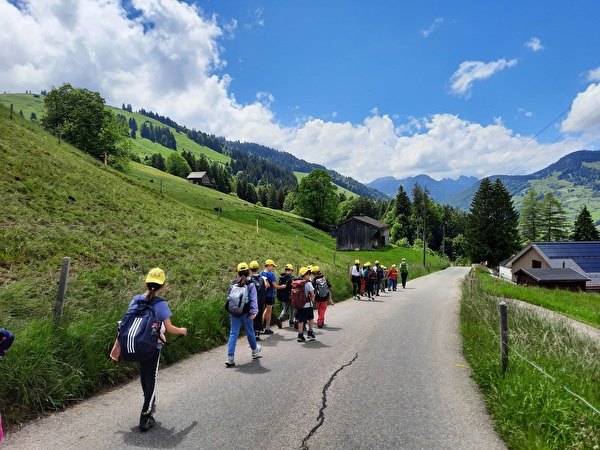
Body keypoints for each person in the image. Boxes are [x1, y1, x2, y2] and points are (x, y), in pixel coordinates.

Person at [110, 268, 187, 431]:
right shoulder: (160, 304)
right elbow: (170, 328)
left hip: (136, 344)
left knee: (144, 375)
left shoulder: (136, 300)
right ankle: (145, 415)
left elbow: (124, 325)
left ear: (146, 282)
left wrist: (117, 346)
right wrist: (182, 330)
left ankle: (149, 401)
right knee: (151, 376)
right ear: (163, 285)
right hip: (152, 346)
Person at [225, 262, 262, 368]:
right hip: (246, 313)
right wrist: (255, 311)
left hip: (234, 312)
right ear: (248, 272)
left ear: (237, 272)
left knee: (233, 333)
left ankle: (230, 357)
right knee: (250, 332)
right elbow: (253, 299)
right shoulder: (250, 284)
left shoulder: (233, 284)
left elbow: (229, 298)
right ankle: (254, 350)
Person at [260, 259, 284, 335]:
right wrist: (282, 287)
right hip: (270, 295)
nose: (273, 268)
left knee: (265, 309)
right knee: (269, 310)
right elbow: (275, 286)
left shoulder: (261, 273)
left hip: (262, 294)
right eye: (272, 266)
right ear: (269, 266)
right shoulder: (271, 274)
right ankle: (267, 327)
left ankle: (260, 323)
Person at [295, 267, 316, 342]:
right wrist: (312, 299)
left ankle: (300, 335)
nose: (310, 275)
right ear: (306, 275)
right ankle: (310, 333)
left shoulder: (297, 282)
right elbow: (312, 293)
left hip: (299, 305)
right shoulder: (308, 283)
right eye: (309, 274)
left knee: (300, 320)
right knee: (310, 318)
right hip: (307, 304)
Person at [248, 261, 266, 340]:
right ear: (258, 268)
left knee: (251, 315)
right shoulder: (263, 278)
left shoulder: (248, 279)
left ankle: (250, 331)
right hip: (261, 300)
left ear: (250, 269)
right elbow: (265, 288)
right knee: (259, 315)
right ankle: (257, 332)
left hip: (251, 300)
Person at [276, 264, 294, 328]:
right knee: (292, 308)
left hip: (283, 295)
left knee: (285, 307)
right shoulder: (291, 278)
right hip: (290, 295)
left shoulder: (281, 276)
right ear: (291, 270)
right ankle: (291, 321)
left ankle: (280, 318)